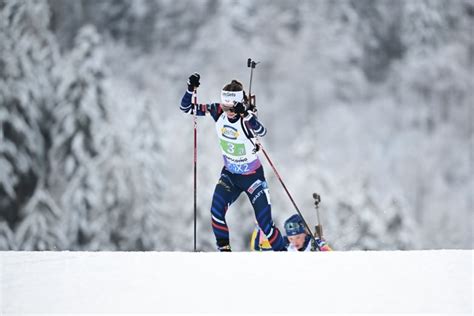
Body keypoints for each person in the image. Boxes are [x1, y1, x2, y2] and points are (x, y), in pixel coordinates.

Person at [180, 73, 286, 252]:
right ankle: (225, 253)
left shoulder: (247, 117)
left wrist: (245, 114)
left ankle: (285, 257)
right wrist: (190, 89)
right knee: (216, 212)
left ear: (239, 105)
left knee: (265, 225)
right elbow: (186, 108)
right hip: (230, 175)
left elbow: (261, 131)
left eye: (231, 108)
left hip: (253, 178)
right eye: (225, 106)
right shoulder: (217, 111)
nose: (228, 111)